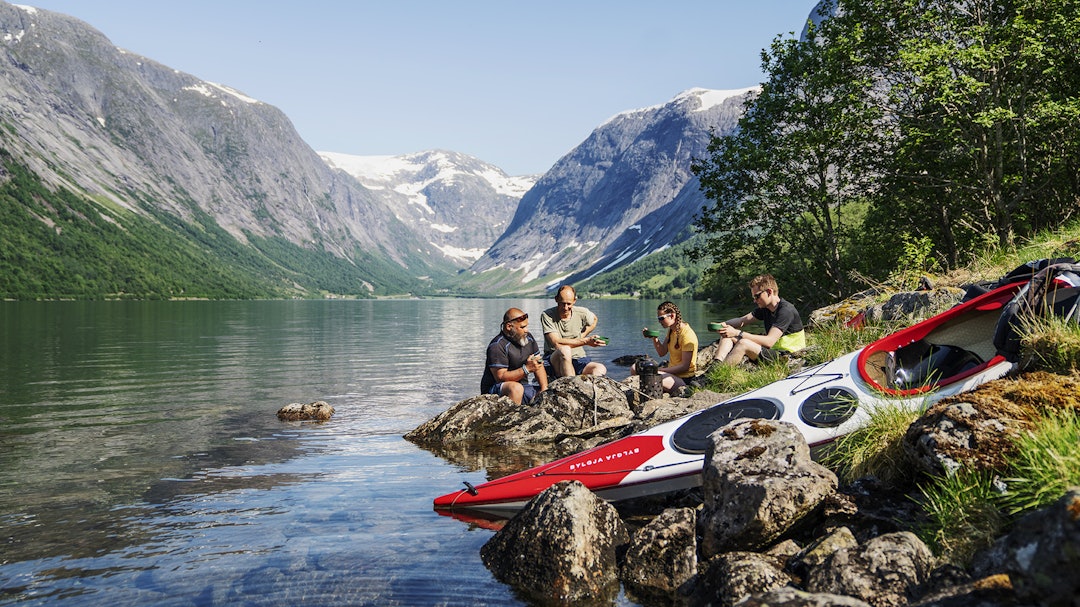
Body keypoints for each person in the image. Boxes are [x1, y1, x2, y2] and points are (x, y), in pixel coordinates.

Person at [714, 274, 806, 365]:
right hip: (774, 352)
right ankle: (715, 365)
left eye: (757, 296)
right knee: (727, 335)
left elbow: (769, 341)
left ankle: (719, 374)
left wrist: (738, 333)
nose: (755, 300)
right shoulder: (765, 309)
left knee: (743, 343)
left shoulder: (786, 311)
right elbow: (741, 321)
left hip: (789, 357)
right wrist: (722, 325)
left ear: (769, 292)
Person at [480, 307, 549, 405]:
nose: (526, 330)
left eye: (526, 326)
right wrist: (527, 369)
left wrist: (544, 389)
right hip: (496, 389)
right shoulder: (497, 346)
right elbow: (500, 377)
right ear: (509, 326)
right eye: (522, 327)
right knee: (516, 388)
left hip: (523, 386)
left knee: (550, 394)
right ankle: (513, 418)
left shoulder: (528, 338)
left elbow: (538, 363)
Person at [540, 285, 607, 378]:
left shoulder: (582, 313)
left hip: (578, 359)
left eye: (569, 304)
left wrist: (582, 335)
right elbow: (556, 343)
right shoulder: (547, 315)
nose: (565, 307)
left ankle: (590, 388)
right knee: (565, 350)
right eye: (562, 303)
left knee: (600, 368)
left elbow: (594, 320)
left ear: (574, 301)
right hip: (555, 360)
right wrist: (585, 341)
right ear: (556, 299)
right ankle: (572, 387)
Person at [633, 301, 698, 395]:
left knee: (651, 375)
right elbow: (662, 352)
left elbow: (684, 367)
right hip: (672, 374)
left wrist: (661, 370)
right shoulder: (672, 331)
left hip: (684, 380)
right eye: (658, 318)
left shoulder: (687, 335)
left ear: (672, 316)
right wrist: (654, 338)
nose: (659, 321)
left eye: (661, 318)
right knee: (635, 368)